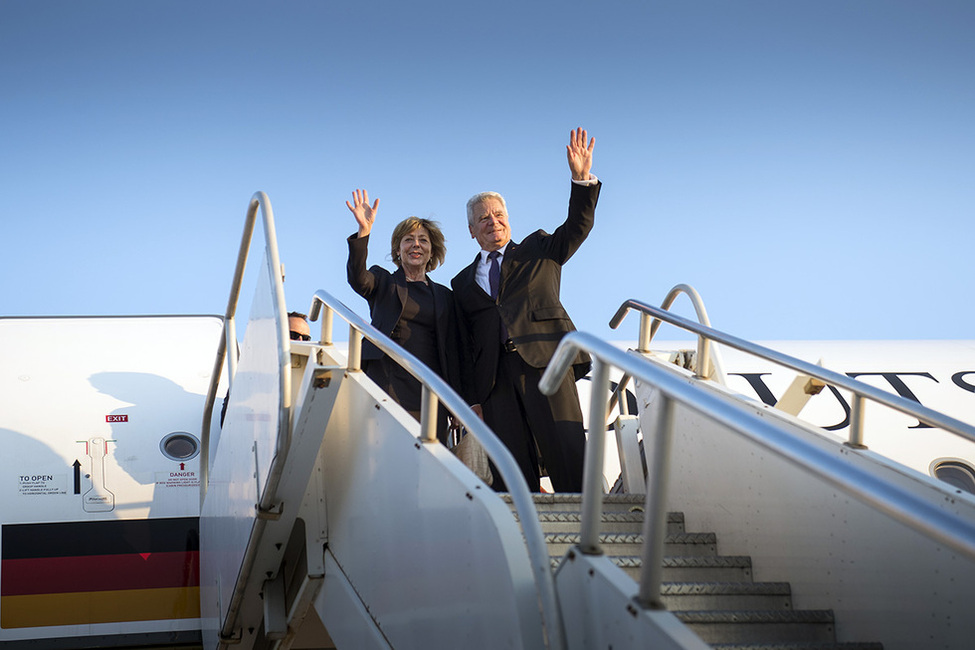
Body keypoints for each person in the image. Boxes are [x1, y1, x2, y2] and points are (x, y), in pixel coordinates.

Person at [451, 128, 600, 493]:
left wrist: (581, 181)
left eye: (498, 214)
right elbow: (463, 347)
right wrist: (471, 399)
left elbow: (577, 227)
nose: (493, 222)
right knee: (511, 467)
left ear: (508, 219)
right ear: (471, 230)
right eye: (483, 218)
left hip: (547, 362)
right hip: (494, 380)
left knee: (566, 451)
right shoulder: (460, 284)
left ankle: (586, 527)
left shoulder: (538, 249)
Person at [345, 189, 460, 443]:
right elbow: (358, 278)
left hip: (429, 387)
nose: (416, 244)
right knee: (384, 448)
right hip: (385, 380)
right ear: (398, 250)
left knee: (429, 457)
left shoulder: (445, 296)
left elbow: (453, 349)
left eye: (423, 240)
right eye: (408, 239)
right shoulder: (383, 281)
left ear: (432, 252)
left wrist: (456, 400)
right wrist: (364, 232)